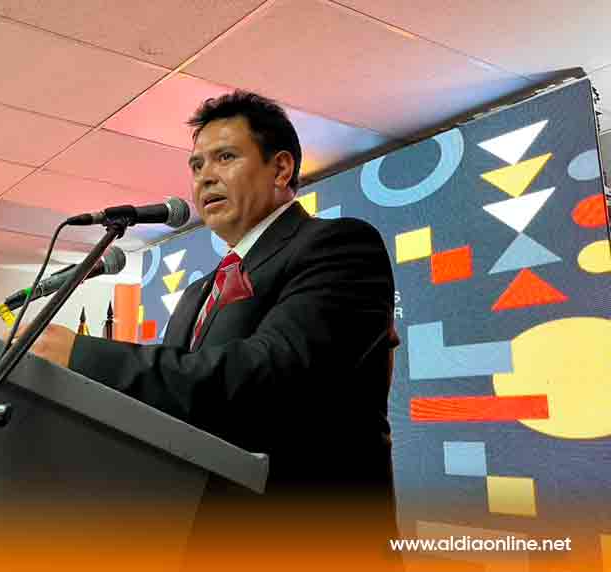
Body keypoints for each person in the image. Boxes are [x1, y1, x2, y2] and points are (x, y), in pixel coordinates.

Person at [23, 91, 400, 570]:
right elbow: (175, 408)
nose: (204, 177)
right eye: (196, 165)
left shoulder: (339, 246)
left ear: (281, 169)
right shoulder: (198, 292)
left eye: (225, 157)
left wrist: (84, 357)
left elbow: (269, 378)